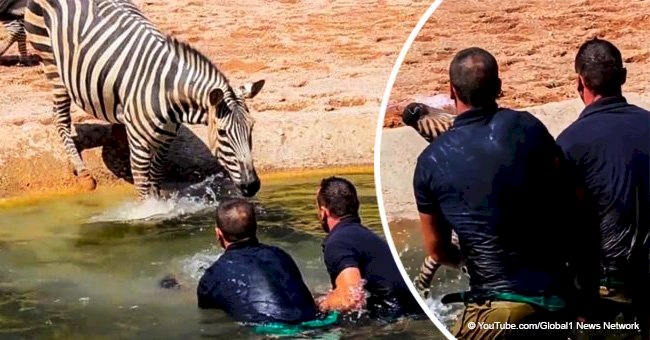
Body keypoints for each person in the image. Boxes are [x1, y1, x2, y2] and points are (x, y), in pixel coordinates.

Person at [412, 47, 596, 338]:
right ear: (499, 88)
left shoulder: (429, 162)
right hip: (555, 302)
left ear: (451, 91)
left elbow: (437, 250)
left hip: (495, 311)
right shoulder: (528, 127)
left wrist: (465, 260)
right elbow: (573, 198)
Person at [557, 38, 650, 337]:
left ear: (579, 83)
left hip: (609, 287)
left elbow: (562, 229)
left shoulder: (569, 144)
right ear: (623, 77)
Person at [197, 199, 321, 326]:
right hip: (318, 326)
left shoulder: (212, 277)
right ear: (255, 227)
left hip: (271, 334)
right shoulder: (280, 255)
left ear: (218, 234)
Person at [315, 176, 423, 319]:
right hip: (413, 315)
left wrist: (321, 304)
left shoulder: (337, 242)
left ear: (324, 212)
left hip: (395, 324)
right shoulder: (369, 238)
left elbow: (351, 299)